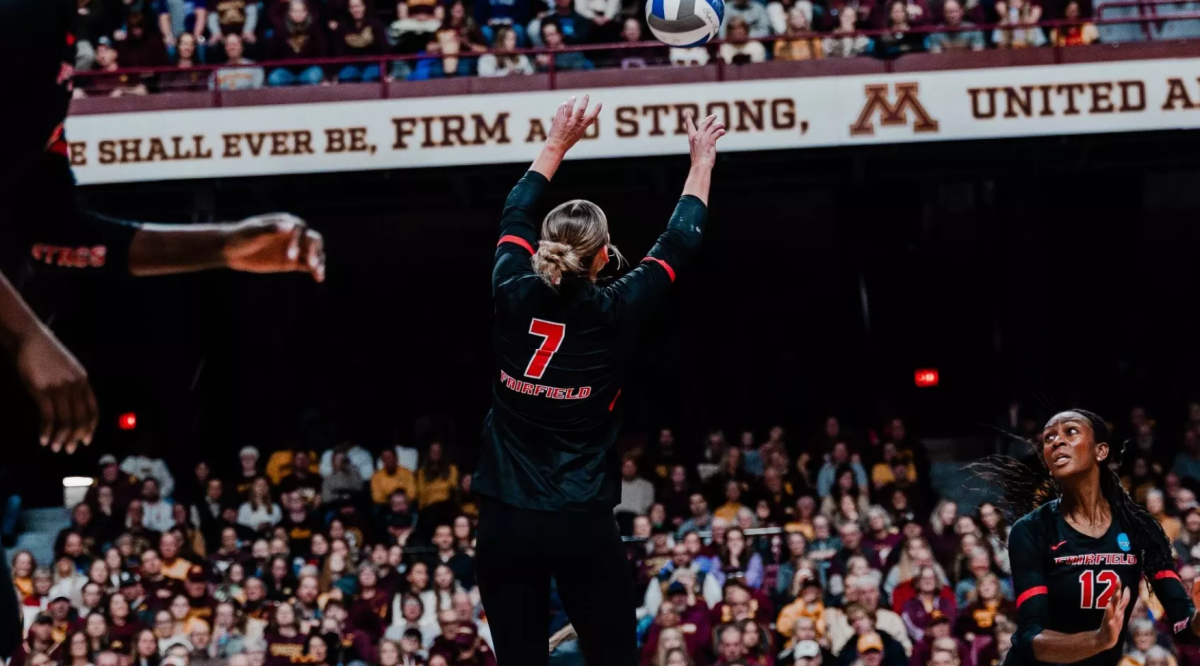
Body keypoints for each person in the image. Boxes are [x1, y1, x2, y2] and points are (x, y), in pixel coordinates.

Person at [472, 95, 724, 666]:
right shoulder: (617, 309)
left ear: (543, 248)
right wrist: (701, 160)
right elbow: (680, 241)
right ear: (605, 256)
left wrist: (558, 142)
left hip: (505, 522)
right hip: (579, 523)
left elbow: (515, 210)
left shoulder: (509, 285)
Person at [977, 410, 1200, 666]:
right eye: (1048, 438)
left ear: (1101, 451)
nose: (1056, 441)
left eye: (1070, 431)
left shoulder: (1140, 526)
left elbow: (1183, 624)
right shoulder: (1030, 529)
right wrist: (1097, 640)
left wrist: (1198, 621)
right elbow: (1031, 638)